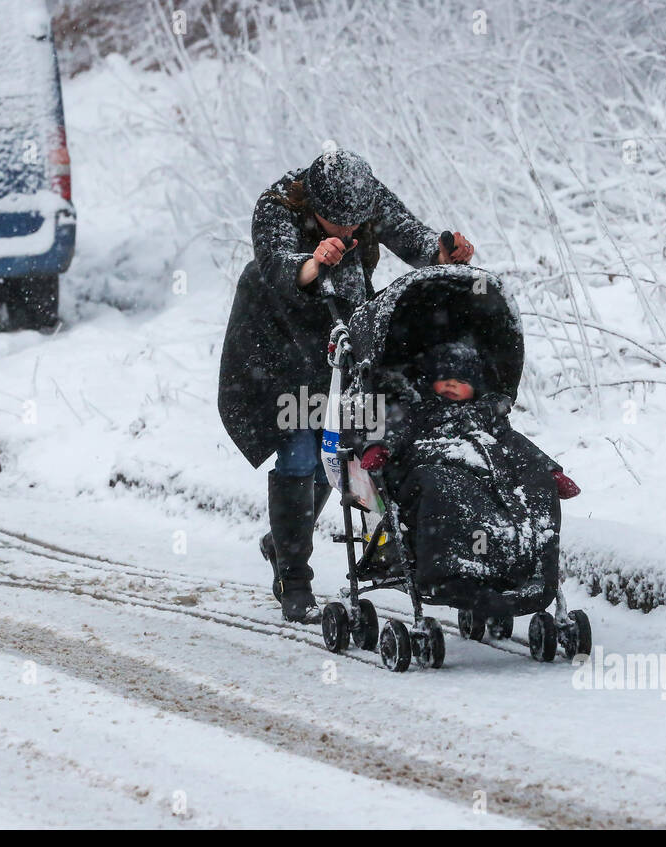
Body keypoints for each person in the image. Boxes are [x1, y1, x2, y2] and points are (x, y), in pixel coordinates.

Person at [218, 150, 474, 623]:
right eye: (336, 223)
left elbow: (414, 240)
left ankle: (282, 542)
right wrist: (314, 262)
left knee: (334, 454)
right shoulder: (277, 203)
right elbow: (276, 266)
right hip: (275, 340)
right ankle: (294, 579)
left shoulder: (365, 198)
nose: (349, 233)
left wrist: (444, 252)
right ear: (313, 204)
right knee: (299, 445)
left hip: (341, 329)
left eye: (355, 225)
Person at [357, 342, 578, 610]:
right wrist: (380, 447)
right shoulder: (416, 411)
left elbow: (515, 445)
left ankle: (532, 568)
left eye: (461, 380)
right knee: (446, 487)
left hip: (485, 482)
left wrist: (549, 470)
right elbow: (394, 429)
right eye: (444, 379)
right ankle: (451, 571)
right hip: (429, 477)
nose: (452, 384)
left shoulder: (485, 416)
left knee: (536, 485)